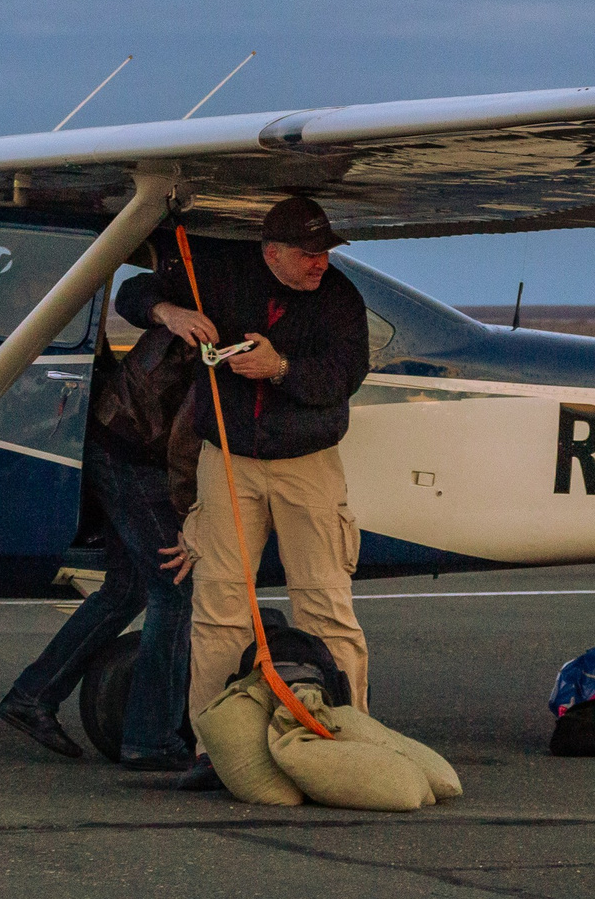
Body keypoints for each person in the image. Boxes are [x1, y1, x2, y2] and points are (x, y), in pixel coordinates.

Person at [120, 196, 372, 791]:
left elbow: (343, 378)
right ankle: (216, 751)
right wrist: (169, 312)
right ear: (272, 253)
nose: (320, 264)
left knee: (325, 607)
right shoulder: (221, 275)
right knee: (218, 611)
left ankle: (350, 734)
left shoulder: (340, 300)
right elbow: (130, 294)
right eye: (309, 255)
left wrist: (280, 367)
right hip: (227, 462)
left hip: (306, 465)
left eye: (325, 253)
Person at [0, 288, 198, 771]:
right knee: (176, 588)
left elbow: (133, 292)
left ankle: (32, 696)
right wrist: (195, 521)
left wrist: (163, 308)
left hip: (116, 445)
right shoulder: (215, 337)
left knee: (127, 588)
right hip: (135, 458)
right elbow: (191, 445)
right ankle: (151, 737)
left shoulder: (187, 308)